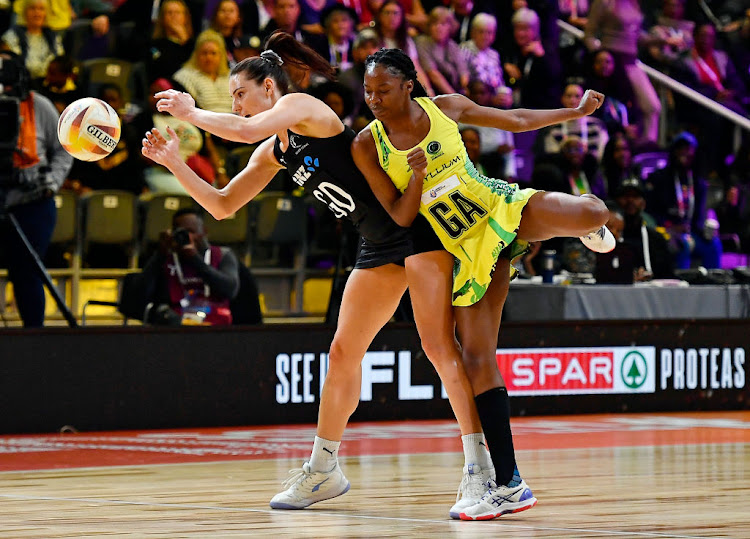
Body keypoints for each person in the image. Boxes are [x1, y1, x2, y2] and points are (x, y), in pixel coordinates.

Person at [142, 31, 494, 518]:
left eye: (241, 94)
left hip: (416, 232)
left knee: (438, 349)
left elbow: (243, 129)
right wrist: (175, 162)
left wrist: (191, 112)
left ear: (270, 88)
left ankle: (482, 470)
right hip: (376, 244)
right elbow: (222, 206)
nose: (237, 106)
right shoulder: (275, 150)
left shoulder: (305, 108)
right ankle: (324, 468)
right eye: (232, 98)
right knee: (343, 352)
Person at [350, 48, 613, 520]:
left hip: (496, 207)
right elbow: (401, 215)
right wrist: (416, 178)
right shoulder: (368, 146)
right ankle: (511, 484)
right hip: (463, 250)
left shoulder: (445, 107)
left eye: (383, 90)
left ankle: (585, 227)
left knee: (594, 211)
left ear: (409, 84)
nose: (373, 99)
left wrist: (572, 112)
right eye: (367, 91)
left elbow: (513, 119)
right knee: (476, 358)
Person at [0, 52, 73, 327]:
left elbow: (64, 149)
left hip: (32, 201)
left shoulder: (39, 105)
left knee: (27, 272)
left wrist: (52, 182)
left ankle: (34, 337)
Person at [139, 207, 240, 326]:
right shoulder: (167, 257)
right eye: (181, 232)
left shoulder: (222, 254)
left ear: (204, 232)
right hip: (176, 324)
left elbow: (230, 290)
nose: (187, 237)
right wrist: (159, 254)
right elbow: (141, 294)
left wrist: (195, 259)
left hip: (215, 323)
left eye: (191, 231)